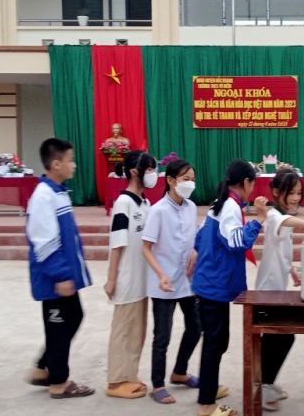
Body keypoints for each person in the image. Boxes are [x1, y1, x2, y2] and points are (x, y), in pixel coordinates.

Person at [193, 159, 268, 416]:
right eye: (252, 184)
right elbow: (236, 241)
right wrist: (258, 220)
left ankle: (209, 388)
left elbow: (200, 236)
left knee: (217, 341)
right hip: (214, 284)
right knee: (214, 343)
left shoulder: (222, 202)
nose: (252, 189)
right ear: (245, 182)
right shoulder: (230, 207)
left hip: (211, 281)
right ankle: (206, 405)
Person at [255, 168, 304, 411]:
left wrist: (292, 270)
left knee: (279, 338)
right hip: (266, 293)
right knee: (279, 338)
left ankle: (266, 383)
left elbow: (280, 248)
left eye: (299, 193)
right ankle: (263, 387)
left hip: (277, 290)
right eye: (291, 193)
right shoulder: (274, 215)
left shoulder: (282, 216)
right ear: (276, 191)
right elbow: (284, 224)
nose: (296, 198)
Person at [26, 138, 96, 399]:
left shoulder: (58, 192)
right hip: (53, 278)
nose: (74, 165)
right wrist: (60, 275)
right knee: (58, 327)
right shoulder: (43, 196)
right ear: (56, 164)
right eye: (70, 160)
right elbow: (44, 241)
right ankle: (58, 381)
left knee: (73, 317)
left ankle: (42, 368)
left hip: (65, 275)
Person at [141, 157, 203, 405]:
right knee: (162, 337)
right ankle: (157, 384)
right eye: (186, 179)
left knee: (196, 327)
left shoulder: (191, 207)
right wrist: (160, 274)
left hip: (187, 281)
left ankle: (179, 371)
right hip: (164, 285)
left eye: (193, 179)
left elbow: (195, 237)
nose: (191, 184)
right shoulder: (158, 210)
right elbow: (146, 247)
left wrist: (196, 251)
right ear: (170, 180)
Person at [103, 151, 157, 399]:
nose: (153, 174)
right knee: (123, 331)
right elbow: (117, 243)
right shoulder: (123, 203)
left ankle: (130, 375)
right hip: (126, 278)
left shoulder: (145, 203)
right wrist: (112, 278)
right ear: (135, 172)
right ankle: (116, 381)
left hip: (142, 280)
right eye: (149, 169)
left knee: (137, 331)